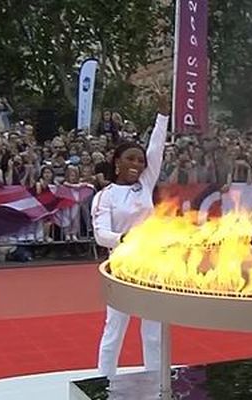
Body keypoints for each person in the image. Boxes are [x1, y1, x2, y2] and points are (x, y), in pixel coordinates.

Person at [91, 86, 170, 379]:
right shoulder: (105, 196)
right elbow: (101, 234)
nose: (137, 164)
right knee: (114, 330)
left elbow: (157, 149)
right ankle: (103, 383)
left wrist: (163, 115)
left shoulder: (145, 185)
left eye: (140, 160)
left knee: (153, 332)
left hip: (152, 265)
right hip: (121, 265)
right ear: (117, 162)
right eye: (131, 159)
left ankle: (156, 384)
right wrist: (124, 240)